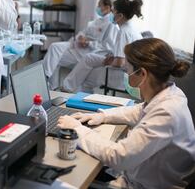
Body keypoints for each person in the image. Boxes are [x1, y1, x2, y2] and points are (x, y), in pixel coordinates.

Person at [57, 38, 195, 189]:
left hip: (146, 186)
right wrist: (103, 116)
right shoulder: (170, 94)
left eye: (127, 70)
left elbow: (119, 156)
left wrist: (78, 130)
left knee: (66, 179)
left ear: (142, 74)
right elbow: (138, 110)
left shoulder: (167, 112)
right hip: (142, 177)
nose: (126, 74)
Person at [61, 0, 144, 93]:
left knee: (87, 73)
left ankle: (66, 88)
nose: (111, 14)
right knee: (88, 61)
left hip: (123, 75)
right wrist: (112, 58)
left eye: (113, 11)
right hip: (130, 70)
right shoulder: (132, 28)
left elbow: (119, 62)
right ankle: (67, 88)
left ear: (120, 15)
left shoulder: (123, 32)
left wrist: (108, 62)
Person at [43, 0, 118, 89]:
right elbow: (84, 31)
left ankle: (49, 85)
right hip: (77, 44)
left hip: (87, 51)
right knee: (54, 47)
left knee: (55, 59)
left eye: (100, 6)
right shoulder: (96, 21)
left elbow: (106, 46)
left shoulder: (111, 25)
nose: (98, 8)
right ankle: (47, 80)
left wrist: (88, 43)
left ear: (107, 7)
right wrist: (81, 36)